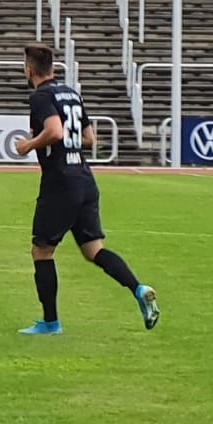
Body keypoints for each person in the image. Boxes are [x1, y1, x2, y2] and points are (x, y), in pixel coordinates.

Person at [14, 46, 159, 334]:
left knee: (42, 251)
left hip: (60, 183)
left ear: (29, 69)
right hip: (84, 178)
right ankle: (138, 288)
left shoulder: (41, 96)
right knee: (94, 250)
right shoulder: (71, 93)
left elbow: (55, 131)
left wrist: (28, 145)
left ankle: (51, 323)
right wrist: (58, 141)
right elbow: (90, 138)